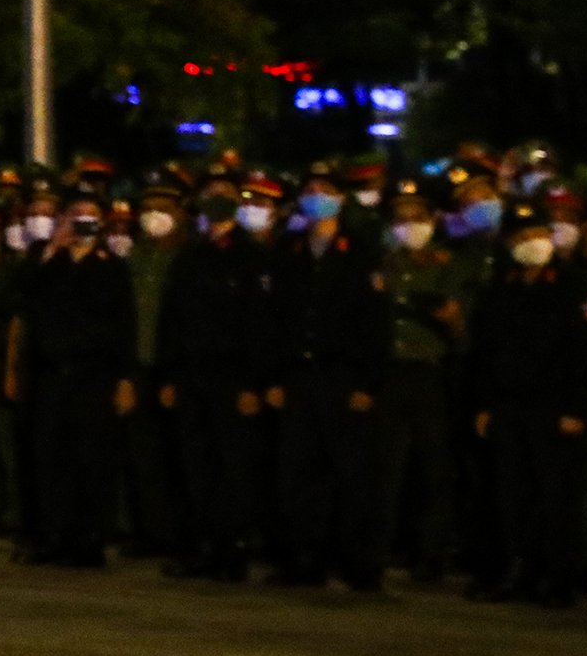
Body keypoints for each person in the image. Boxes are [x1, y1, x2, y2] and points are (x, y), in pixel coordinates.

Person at [467, 200, 587, 607]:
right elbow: (485, 354)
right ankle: (521, 571)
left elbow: (584, 354)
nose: (533, 243)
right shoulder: (501, 288)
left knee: (557, 497)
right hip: (510, 406)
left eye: (539, 234)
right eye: (523, 237)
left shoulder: (572, 285)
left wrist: (575, 410)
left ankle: (559, 577)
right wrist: (485, 405)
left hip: (554, 408)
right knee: (514, 495)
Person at [266, 164, 392, 589]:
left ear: (340, 198)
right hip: (301, 377)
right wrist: (276, 377)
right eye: (311, 188)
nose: (316, 194)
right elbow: (277, 319)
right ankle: (304, 560)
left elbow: (375, 323)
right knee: (300, 476)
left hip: (343, 377)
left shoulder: (359, 251)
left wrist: (367, 383)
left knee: (354, 476)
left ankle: (359, 563)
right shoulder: (290, 250)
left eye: (326, 188)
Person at [156, 171, 278, 580]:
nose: (218, 203)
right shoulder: (190, 254)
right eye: (211, 196)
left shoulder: (251, 254)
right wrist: (169, 376)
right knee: (196, 465)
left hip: (232, 377)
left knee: (234, 465)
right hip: (192, 374)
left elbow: (260, 325)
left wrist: (251, 383)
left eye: (226, 196)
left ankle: (233, 549)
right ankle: (204, 545)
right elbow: (173, 320)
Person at [8, 186, 135, 566]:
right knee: (49, 457)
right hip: (51, 376)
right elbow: (19, 304)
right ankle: (51, 535)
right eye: (74, 216)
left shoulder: (112, 266)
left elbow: (124, 324)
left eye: (89, 217)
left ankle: (89, 538)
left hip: (94, 376)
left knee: (92, 459)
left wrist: (125, 379)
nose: (81, 224)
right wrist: (52, 251)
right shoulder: (48, 264)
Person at [375, 182, 469, 582]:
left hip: (430, 373)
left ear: (433, 222)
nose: (410, 225)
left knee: (433, 469)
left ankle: (429, 553)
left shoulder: (447, 264)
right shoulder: (383, 264)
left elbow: (455, 321)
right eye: (402, 219)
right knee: (386, 467)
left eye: (418, 218)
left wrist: (437, 313)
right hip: (388, 372)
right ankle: (380, 550)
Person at [119, 172, 190, 559]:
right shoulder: (135, 255)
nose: (154, 216)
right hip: (138, 368)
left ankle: (181, 533)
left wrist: (175, 374)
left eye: (163, 209)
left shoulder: (186, 256)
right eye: (147, 209)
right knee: (142, 457)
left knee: (178, 457)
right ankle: (151, 531)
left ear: (180, 212)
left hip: (173, 369)